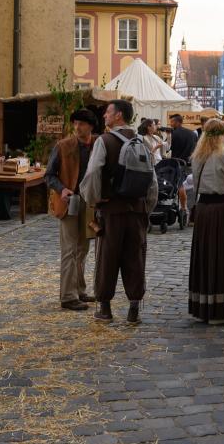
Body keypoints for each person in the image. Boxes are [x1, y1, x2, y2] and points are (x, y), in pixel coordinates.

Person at [80, 100, 156, 324]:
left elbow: (93, 171)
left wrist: (93, 199)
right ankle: (134, 310)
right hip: (137, 210)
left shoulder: (104, 141)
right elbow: (152, 181)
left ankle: (105, 309)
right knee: (135, 257)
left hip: (112, 210)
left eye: (108, 112)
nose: (104, 116)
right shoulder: (142, 141)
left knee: (107, 258)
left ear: (119, 115)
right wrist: (146, 209)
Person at [188, 119, 224, 324]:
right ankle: (219, 311)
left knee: (205, 255)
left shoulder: (197, 156)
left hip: (203, 210)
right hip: (221, 210)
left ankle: (202, 307)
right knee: (221, 256)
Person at [47, 109, 99, 311]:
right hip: (69, 202)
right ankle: (67, 297)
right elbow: (49, 175)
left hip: (90, 203)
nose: (77, 127)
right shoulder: (63, 146)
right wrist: (62, 189)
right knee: (69, 250)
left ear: (91, 126)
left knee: (83, 249)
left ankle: (79, 290)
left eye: (82, 124)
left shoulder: (98, 144)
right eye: (75, 124)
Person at [169, 114, 197, 219]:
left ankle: (183, 208)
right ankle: (192, 213)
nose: (171, 124)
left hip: (178, 163)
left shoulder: (175, 133)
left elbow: (173, 150)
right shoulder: (192, 134)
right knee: (192, 189)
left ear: (177, 122)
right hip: (190, 163)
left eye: (172, 122)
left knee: (180, 186)